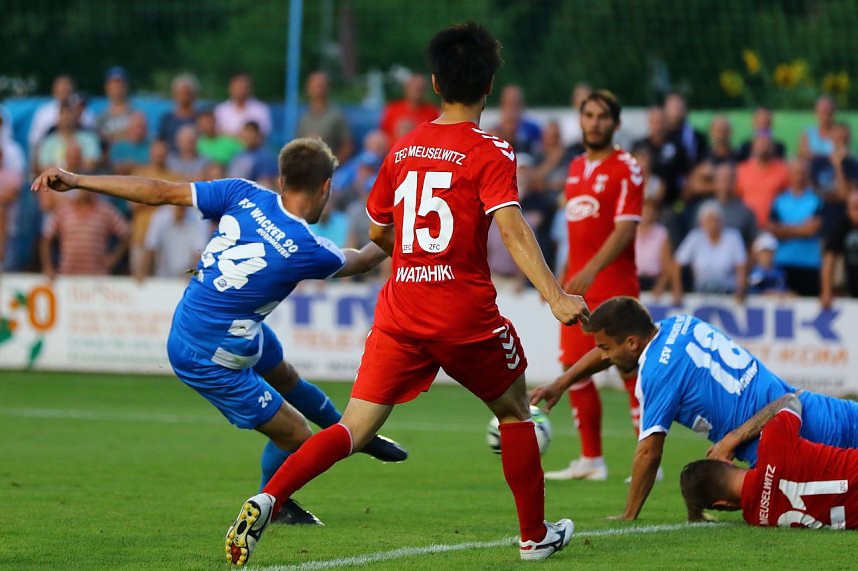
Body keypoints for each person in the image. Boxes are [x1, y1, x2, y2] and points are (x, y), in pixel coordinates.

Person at [222, 22, 589, 566]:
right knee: (515, 412)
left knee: (354, 426)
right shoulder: (491, 150)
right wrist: (556, 296)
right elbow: (510, 225)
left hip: (401, 308)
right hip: (462, 309)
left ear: (436, 83)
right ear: (488, 87)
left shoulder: (406, 146)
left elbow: (376, 232)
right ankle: (534, 537)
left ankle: (268, 496)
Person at [32, 137, 408, 531]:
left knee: (286, 377)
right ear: (326, 188)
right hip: (208, 354)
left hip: (207, 323)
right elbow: (367, 256)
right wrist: (408, 224)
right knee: (297, 435)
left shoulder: (241, 191)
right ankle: (276, 501)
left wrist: (77, 179)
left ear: (281, 179)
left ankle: (353, 435)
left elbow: (159, 192)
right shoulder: (309, 248)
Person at [530, 296, 858, 521]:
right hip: (814, 407)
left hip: (787, 451)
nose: (605, 356)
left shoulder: (656, 374)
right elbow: (608, 353)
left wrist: (628, 515)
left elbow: (649, 454)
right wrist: (563, 382)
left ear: (631, 342)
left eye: (605, 347)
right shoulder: (677, 324)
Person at [547, 90, 644, 482]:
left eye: (603, 116)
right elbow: (577, 235)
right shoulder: (574, 168)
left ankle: (645, 458)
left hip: (616, 286)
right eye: (588, 115)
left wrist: (590, 270)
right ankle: (591, 460)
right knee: (573, 367)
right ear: (581, 120)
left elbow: (626, 229)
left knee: (628, 368)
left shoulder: (627, 168)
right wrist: (563, 281)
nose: (595, 122)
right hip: (580, 287)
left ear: (616, 124)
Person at [680, 394, 858, 529]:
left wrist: (694, 512)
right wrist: (734, 437)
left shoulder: (758, 518)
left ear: (722, 504)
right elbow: (790, 400)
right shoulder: (773, 444)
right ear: (728, 463)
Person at [767, 159, 823, 297]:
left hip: (810, 264)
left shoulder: (817, 200)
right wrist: (803, 228)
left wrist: (785, 229)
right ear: (790, 174)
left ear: (808, 174)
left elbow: (812, 230)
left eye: (802, 172)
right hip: (783, 262)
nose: (799, 175)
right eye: (796, 172)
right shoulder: (779, 200)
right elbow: (774, 230)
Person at [672, 199, 747, 300]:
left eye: (716, 220)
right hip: (701, 292)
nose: (713, 224)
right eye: (709, 220)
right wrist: (677, 288)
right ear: (702, 222)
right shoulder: (695, 237)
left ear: (722, 221)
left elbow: (741, 265)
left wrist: (740, 288)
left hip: (728, 292)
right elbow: (677, 262)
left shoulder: (733, 236)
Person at [296, 71, 353, 162]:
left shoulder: (336, 115)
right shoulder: (303, 118)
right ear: (308, 88)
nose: (319, 89)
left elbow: (347, 147)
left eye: (321, 86)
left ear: (327, 88)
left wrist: (332, 166)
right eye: (315, 86)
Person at [821, 190, 858, 308]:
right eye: (855, 207)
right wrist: (826, 291)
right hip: (852, 285)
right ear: (848, 210)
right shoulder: (842, 227)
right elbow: (829, 258)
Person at [379, 73, 439, 141]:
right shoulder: (392, 109)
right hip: (396, 148)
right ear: (406, 88)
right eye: (414, 87)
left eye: (420, 88)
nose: (417, 90)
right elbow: (383, 136)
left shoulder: (432, 112)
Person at [215, 72, 272, 138]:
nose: (240, 91)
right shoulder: (221, 109)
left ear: (250, 89)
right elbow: (216, 132)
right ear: (230, 88)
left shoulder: (261, 109)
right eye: (237, 87)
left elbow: (264, 132)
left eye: (243, 87)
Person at [158, 73, 199, 151]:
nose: (183, 97)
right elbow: (160, 143)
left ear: (193, 95)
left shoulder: (199, 119)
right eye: (180, 93)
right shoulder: (167, 119)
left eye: (186, 93)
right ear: (174, 94)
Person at [96, 66, 135, 142]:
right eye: (113, 85)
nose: (117, 88)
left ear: (126, 87)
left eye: (120, 84)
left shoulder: (135, 113)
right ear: (107, 87)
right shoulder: (100, 117)